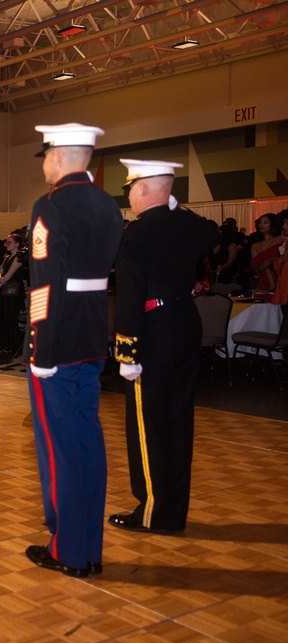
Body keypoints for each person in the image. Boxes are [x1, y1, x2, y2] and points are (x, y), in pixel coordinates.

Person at [22, 123, 124, 579]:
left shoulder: (50, 206)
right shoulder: (108, 205)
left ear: (59, 156)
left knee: (59, 449)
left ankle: (69, 550)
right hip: (91, 335)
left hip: (57, 342)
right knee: (87, 443)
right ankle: (90, 547)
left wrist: (40, 350)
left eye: (45, 154)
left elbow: (45, 286)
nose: (44, 163)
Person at [111, 159, 222, 536]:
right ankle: (173, 512)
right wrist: (176, 207)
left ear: (142, 188)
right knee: (178, 422)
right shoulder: (187, 226)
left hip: (151, 330)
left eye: (130, 189)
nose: (129, 196)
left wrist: (126, 351)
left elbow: (128, 296)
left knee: (148, 426)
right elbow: (211, 232)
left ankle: (153, 512)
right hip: (185, 325)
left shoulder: (137, 234)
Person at [0, 233, 26, 355]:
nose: (7, 244)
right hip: (4, 289)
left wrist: (1, 282)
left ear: (17, 244)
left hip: (13, 291)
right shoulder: (7, 257)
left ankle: (12, 345)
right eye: (6, 242)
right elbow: (0, 273)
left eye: (10, 242)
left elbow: (8, 276)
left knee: (10, 318)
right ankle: (3, 343)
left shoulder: (19, 257)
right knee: (1, 317)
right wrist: (0, 281)